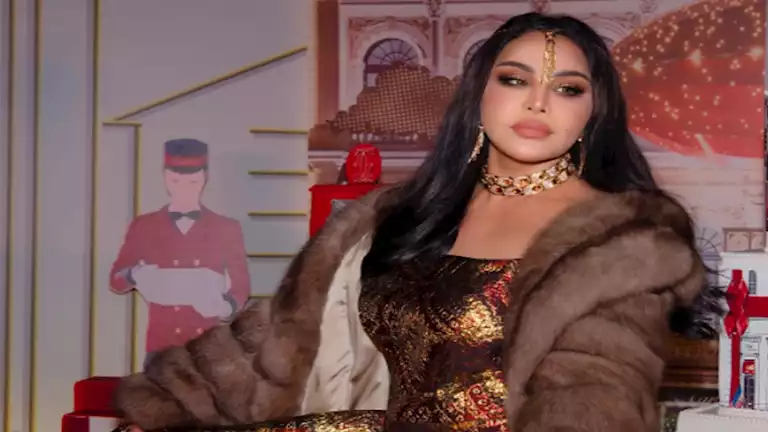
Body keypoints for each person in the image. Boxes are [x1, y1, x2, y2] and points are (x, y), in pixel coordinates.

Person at [113, 13, 720, 432]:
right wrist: (170, 403)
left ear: (593, 113)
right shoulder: (397, 215)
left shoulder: (615, 245)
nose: (537, 101)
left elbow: (593, 402)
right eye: (514, 79)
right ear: (479, 95)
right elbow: (284, 339)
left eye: (567, 89)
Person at [110, 138, 251, 358]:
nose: (184, 189)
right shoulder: (144, 226)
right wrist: (135, 274)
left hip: (208, 349)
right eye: (176, 181)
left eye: (192, 182)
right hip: (161, 348)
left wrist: (224, 307)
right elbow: (116, 279)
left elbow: (240, 288)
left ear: (204, 178)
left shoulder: (227, 228)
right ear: (165, 177)